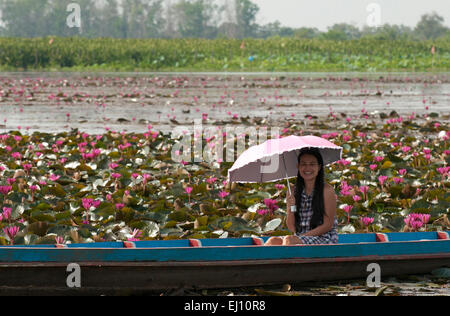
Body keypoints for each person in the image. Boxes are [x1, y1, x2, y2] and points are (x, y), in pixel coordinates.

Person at [265, 148, 338, 246]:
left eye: (312, 164)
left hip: (324, 238)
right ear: (298, 167)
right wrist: (291, 208)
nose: (307, 168)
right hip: (300, 237)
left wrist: (302, 237)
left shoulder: (327, 190)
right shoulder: (292, 191)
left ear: (319, 167)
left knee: (289, 240)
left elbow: (327, 225)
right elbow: (292, 227)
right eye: (303, 164)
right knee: (272, 241)